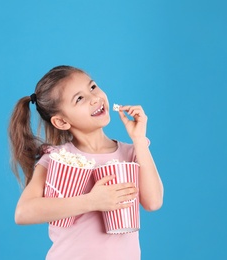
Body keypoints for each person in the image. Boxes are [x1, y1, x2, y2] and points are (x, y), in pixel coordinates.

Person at [8, 65, 164, 259]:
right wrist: (91, 201)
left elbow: (153, 202)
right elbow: (23, 213)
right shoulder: (58, 159)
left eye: (92, 87)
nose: (95, 98)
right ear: (62, 122)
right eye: (79, 99)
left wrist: (139, 140)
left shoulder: (131, 152)